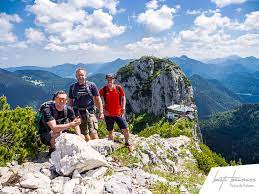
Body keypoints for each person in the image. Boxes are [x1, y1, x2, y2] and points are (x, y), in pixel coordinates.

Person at [99, 73, 133, 152]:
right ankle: (111, 147)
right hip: (108, 114)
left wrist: (123, 107)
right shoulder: (104, 89)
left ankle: (127, 143)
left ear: (114, 80)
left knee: (126, 128)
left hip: (118, 113)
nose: (110, 80)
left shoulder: (118, 88)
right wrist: (102, 110)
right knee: (110, 131)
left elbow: (123, 97)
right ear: (106, 80)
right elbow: (96, 98)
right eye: (108, 79)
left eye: (111, 79)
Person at [68, 68, 104, 141]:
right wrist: (70, 114)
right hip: (78, 113)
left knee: (93, 132)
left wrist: (101, 112)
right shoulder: (72, 87)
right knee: (84, 133)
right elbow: (70, 101)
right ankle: (89, 148)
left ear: (85, 76)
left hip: (90, 112)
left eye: (82, 75)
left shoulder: (91, 85)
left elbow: (98, 99)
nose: (80, 77)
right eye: (78, 75)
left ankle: (97, 149)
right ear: (76, 76)